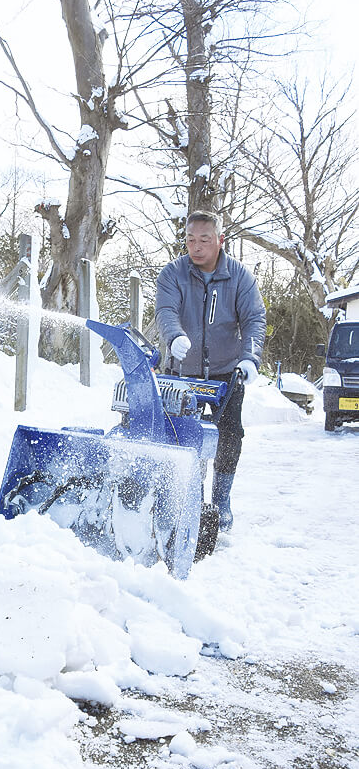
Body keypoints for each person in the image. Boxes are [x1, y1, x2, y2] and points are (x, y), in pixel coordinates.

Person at [154, 211, 266, 530]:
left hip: (226, 373)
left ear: (220, 240)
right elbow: (165, 310)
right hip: (181, 373)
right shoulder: (172, 274)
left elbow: (254, 320)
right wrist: (174, 336)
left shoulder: (241, 278)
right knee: (179, 436)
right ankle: (183, 497)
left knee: (229, 436)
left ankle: (220, 502)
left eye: (204, 239)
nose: (196, 246)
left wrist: (250, 358)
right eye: (190, 239)